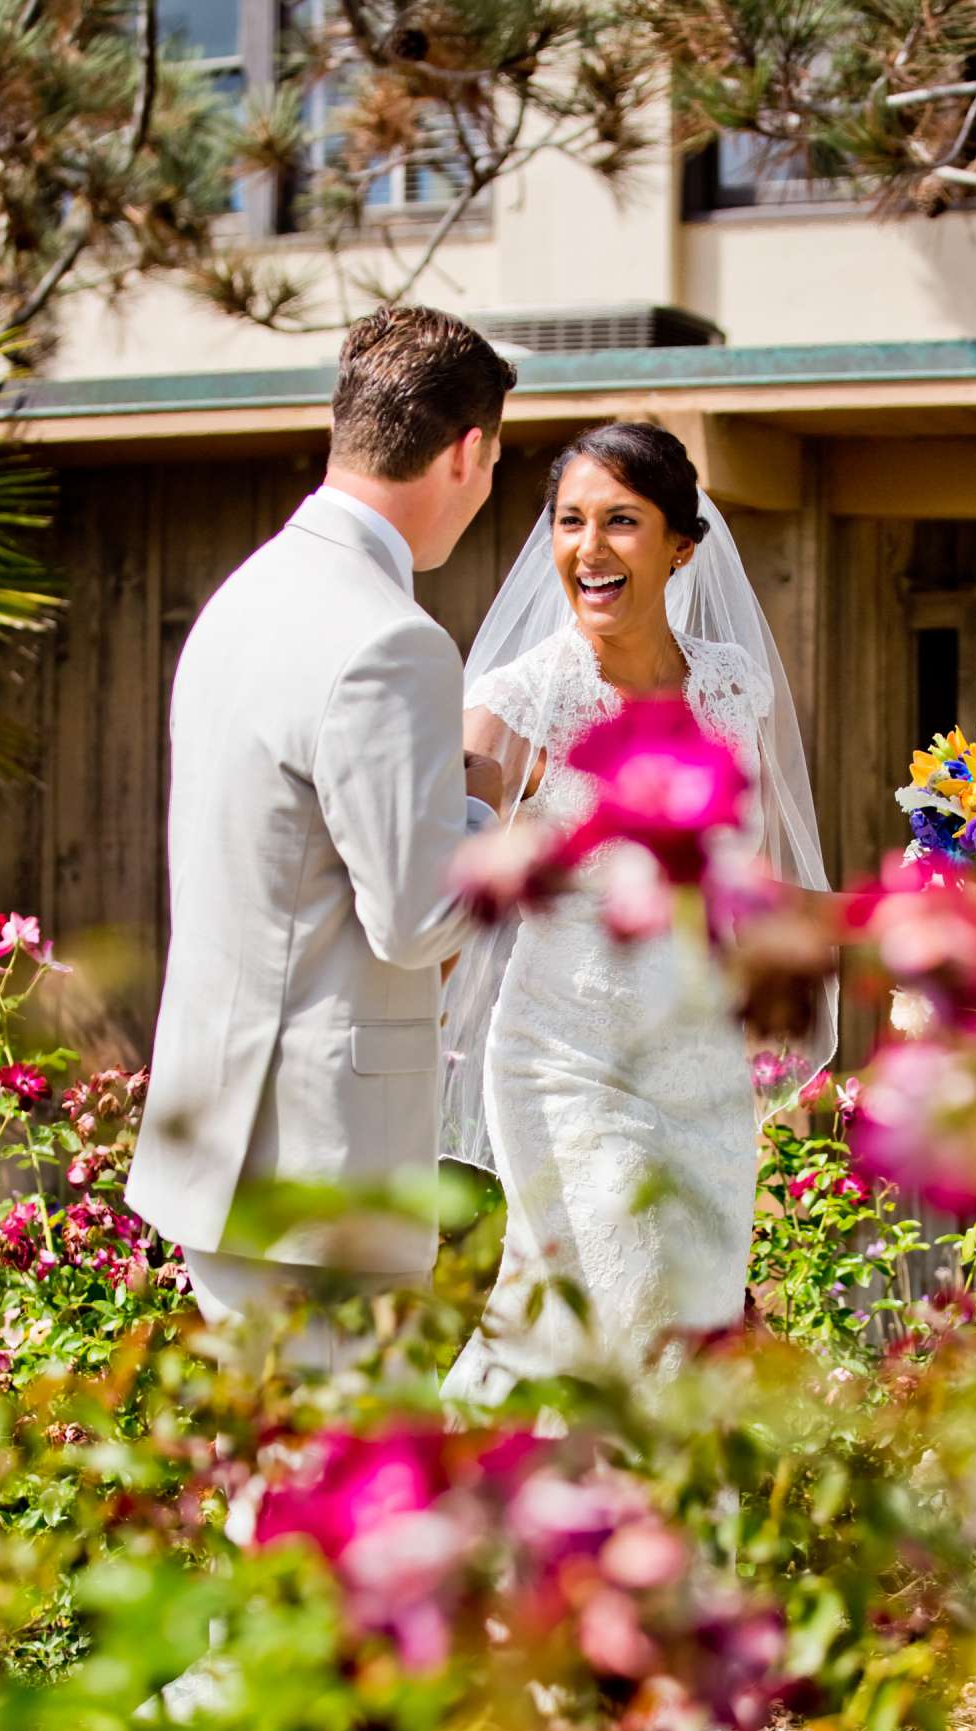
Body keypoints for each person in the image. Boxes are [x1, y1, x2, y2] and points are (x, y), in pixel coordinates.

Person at [127, 304, 516, 1367]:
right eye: (489, 473)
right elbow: (419, 919)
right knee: (338, 1507)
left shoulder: (241, 598)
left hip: (223, 1139)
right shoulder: (390, 638)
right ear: (466, 453)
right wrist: (485, 803)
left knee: (273, 1491)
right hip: (320, 1163)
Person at [441, 421, 836, 1402]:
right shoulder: (518, 700)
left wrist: (910, 900)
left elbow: (758, 886)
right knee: (625, 1300)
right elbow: (442, 884)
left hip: (701, 1070)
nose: (590, 546)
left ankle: (648, 1542)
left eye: (622, 520)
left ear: (682, 545)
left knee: (685, 1324)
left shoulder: (734, 691)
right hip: (564, 1063)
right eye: (570, 521)